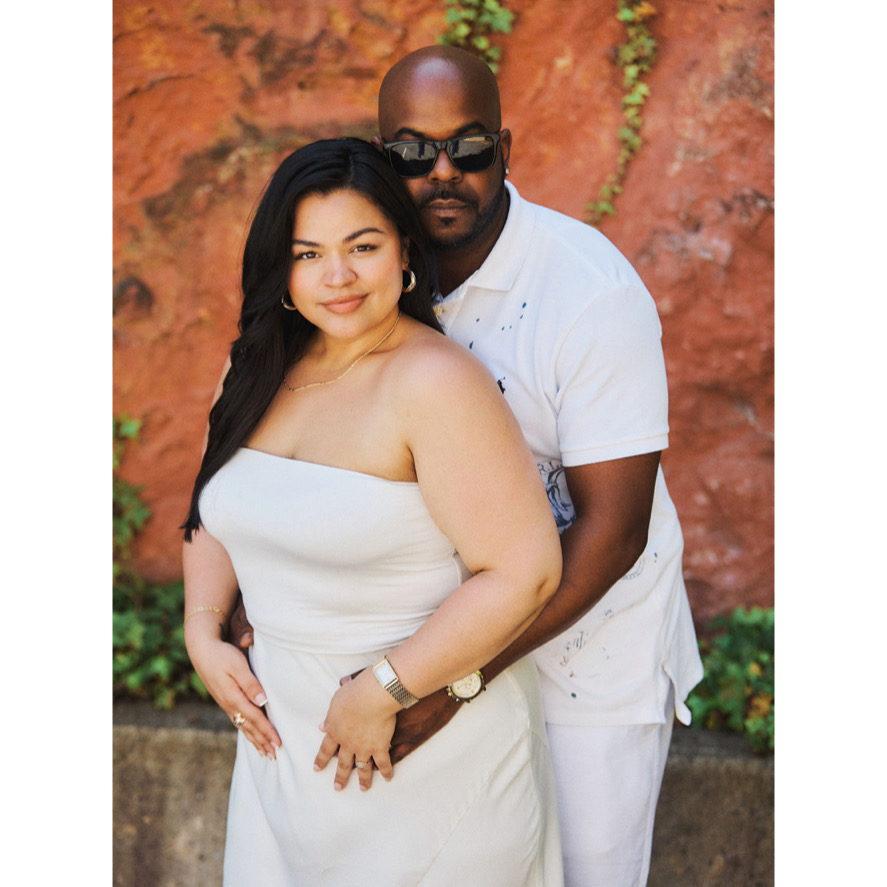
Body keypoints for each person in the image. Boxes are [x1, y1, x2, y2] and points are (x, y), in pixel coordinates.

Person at [233, 46, 705, 886]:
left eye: (470, 147)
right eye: (413, 152)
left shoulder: (588, 293)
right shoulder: (362, 277)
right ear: (382, 158)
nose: (443, 172)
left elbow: (613, 529)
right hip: (434, 645)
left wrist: (447, 683)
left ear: (505, 150)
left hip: (583, 659)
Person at [182, 137, 565, 885]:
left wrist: (383, 688)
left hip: (424, 752)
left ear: (404, 252)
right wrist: (203, 627)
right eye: (308, 254)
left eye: (362, 246)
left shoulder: (436, 382)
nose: (338, 276)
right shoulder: (255, 366)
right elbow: (217, 506)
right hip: (281, 753)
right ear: (280, 267)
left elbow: (524, 572)